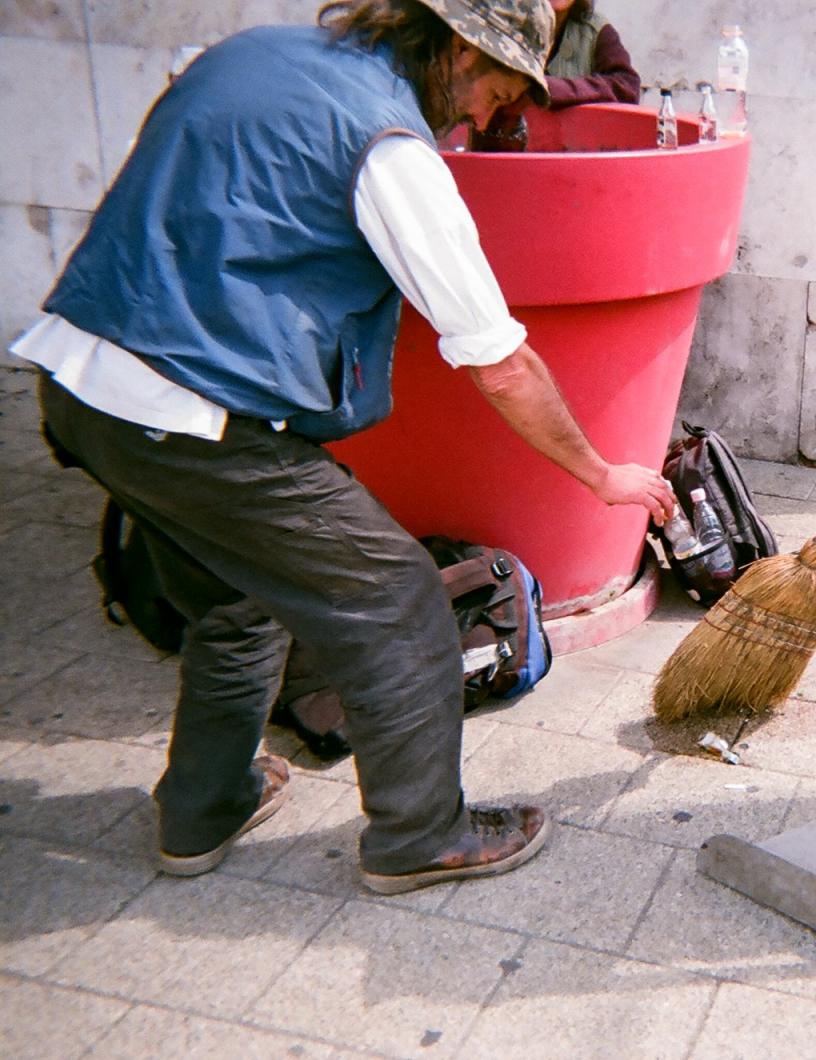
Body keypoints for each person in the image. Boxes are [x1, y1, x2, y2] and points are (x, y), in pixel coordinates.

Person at [10, 0, 675, 895]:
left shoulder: (253, 54)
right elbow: (500, 360)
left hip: (82, 383)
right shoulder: (390, 146)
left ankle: (203, 808)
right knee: (398, 598)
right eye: (493, 91)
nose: (482, 121)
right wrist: (600, 473)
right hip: (194, 415)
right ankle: (420, 834)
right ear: (451, 46)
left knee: (238, 599)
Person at [468, 0, 639, 149]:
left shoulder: (594, 31)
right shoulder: (499, 21)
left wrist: (552, 89)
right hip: (498, 155)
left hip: (567, 160)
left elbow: (627, 87)